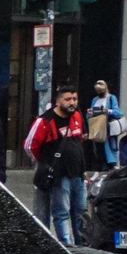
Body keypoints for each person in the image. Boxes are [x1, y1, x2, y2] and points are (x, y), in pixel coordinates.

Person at [25, 88, 92, 244]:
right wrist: (45, 163)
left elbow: (79, 142)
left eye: (74, 99)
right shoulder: (45, 121)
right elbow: (30, 146)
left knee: (81, 212)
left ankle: (82, 245)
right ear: (58, 101)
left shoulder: (77, 116)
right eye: (67, 99)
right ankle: (66, 247)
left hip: (78, 174)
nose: (72, 103)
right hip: (59, 176)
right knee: (62, 213)